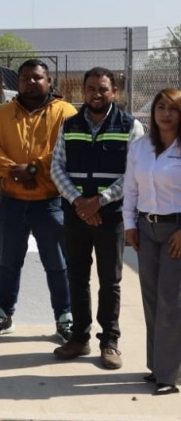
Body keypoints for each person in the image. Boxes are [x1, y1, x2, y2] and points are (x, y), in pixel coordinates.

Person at [51, 67, 143, 369]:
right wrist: (79, 202)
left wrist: (99, 201)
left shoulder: (130, 126)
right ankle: (79, 337)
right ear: (83, 91)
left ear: (114, 91)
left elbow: (133, 173)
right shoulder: (70, 124)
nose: (96, 94)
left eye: (103, 89)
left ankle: (110, 342)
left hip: (111, 216)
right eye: (91, 88)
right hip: (76, 214)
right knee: (77, 277)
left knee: (110, 281)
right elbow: (57, 167)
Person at [0, 59, 78, 342]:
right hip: (11, 200)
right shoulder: (0, 114)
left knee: (57, 263)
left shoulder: (66, 113)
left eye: (37, 77)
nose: (30, 82)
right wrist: (15, 171)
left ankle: (65, 317)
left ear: (49, 81)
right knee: (9, 261)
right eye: (25, 78)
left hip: (51, 201)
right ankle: (3, 315)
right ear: (18, 81)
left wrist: (34, 168)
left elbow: (68, 148)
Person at [123, 88, 181, 396]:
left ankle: (169, 376)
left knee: (171, 301)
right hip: (146, 229)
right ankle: (157, 366)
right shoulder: (140, 147)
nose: (166, 114)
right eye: (161, 107)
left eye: (173, 109)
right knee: (151, 299)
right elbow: (130, 189)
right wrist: (130, 225)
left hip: (175, 233)